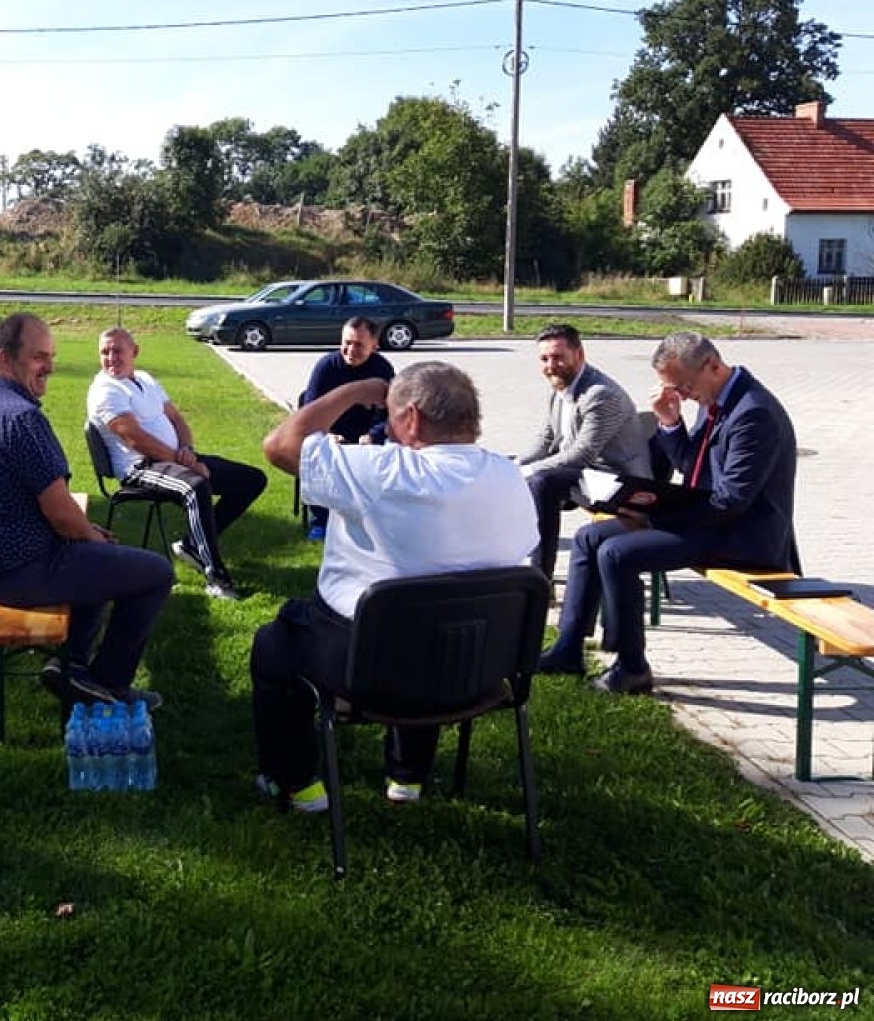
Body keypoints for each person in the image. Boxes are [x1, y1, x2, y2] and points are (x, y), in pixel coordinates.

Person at [251, 362, 537, 810]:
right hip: (478, 670)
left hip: (371, 668)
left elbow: (280, 445)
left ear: (413, 418)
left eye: (390, 413)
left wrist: (352, 391)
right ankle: (408, 778)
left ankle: (298, 784)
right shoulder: (510, 478)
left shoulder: (381, 472)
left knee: (275, 643)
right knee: (437, 613)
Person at [540, 332, 797, 694]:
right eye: (675, 387)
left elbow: (730, 502)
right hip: (709, 518)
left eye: (685, 386)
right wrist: (670, 424)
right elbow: (695, 468)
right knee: (589, 538)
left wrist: (652, 517)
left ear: (712, 366)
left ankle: (632, 668)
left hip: (742, 535)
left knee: (618, 553)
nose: (682, 395)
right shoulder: (716, 399)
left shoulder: (753, 413)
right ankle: (568, 649)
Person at [0, 313, 175, 706]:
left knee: (97, 556)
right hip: (14, 569)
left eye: (51, 356)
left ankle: (70, 666)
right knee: (155, 573)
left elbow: (57, 512)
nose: (50, 367)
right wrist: (90, 535)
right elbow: (62, 516)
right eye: (39, 357)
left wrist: (87, 537)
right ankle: (108, 683)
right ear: (5, 360)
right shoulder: (20, 418)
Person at [86, 327, 267, 599]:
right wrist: (189, 465)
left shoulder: (145, 378)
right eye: (105, 352)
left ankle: (194, 545)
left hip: (174, 458)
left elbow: (176, 418)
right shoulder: (105, 390)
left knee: (251, 480)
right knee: (194, 486)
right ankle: (216, 577)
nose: (111, 357)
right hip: (140, 467)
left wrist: (187, 450)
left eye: (117, 351)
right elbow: (135, 439)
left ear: (134, 352)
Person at [514, 323, 650, 581]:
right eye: (544, 359)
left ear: (579, 354)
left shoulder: (600, 395)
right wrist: (513, 465)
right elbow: (546, 438)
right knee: (523, 480)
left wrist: (528, 471)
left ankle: (541, 579)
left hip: (620, 483)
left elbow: (581, 454)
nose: (550, 366)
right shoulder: (559, 387)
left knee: (541, 483)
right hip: (588, 476)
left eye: (558, 357)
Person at [299, 316, 396, 540]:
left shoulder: (382, 369)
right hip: (330, 432)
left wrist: (373, 434)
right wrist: (328, 433)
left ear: (374, 345)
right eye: (347, 343)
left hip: (366, 435)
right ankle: (322, 521)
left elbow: (391, 414)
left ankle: (369, 518)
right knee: (318, 454)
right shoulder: (326, 366)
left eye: (359, 345)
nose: (351, 350)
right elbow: (310, 408)